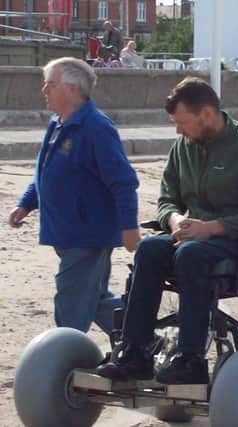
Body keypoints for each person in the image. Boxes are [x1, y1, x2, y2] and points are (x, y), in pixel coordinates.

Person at [95, 77, 238, 384]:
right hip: (191, 236)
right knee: (149, 248)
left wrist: (209, 228)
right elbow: (167, 199)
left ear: (207, 114)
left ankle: (191, 358)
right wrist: (174, 220)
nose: (178, 131)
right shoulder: (182, 148)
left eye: (182, 123)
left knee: (192, 254)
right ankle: (135, 351)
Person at [7, 57, 140, 334]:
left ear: (71, 88)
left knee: (70, 304)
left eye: (50, 84)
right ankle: (144, 339)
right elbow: (46, 170)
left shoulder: (96, 127)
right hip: (65, 230)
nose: (44, 90)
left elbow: (123, 181)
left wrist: (129, 227)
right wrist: (27, 203)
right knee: (93, 298)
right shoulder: (58, 123)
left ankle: (65, 361)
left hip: (87, 233)